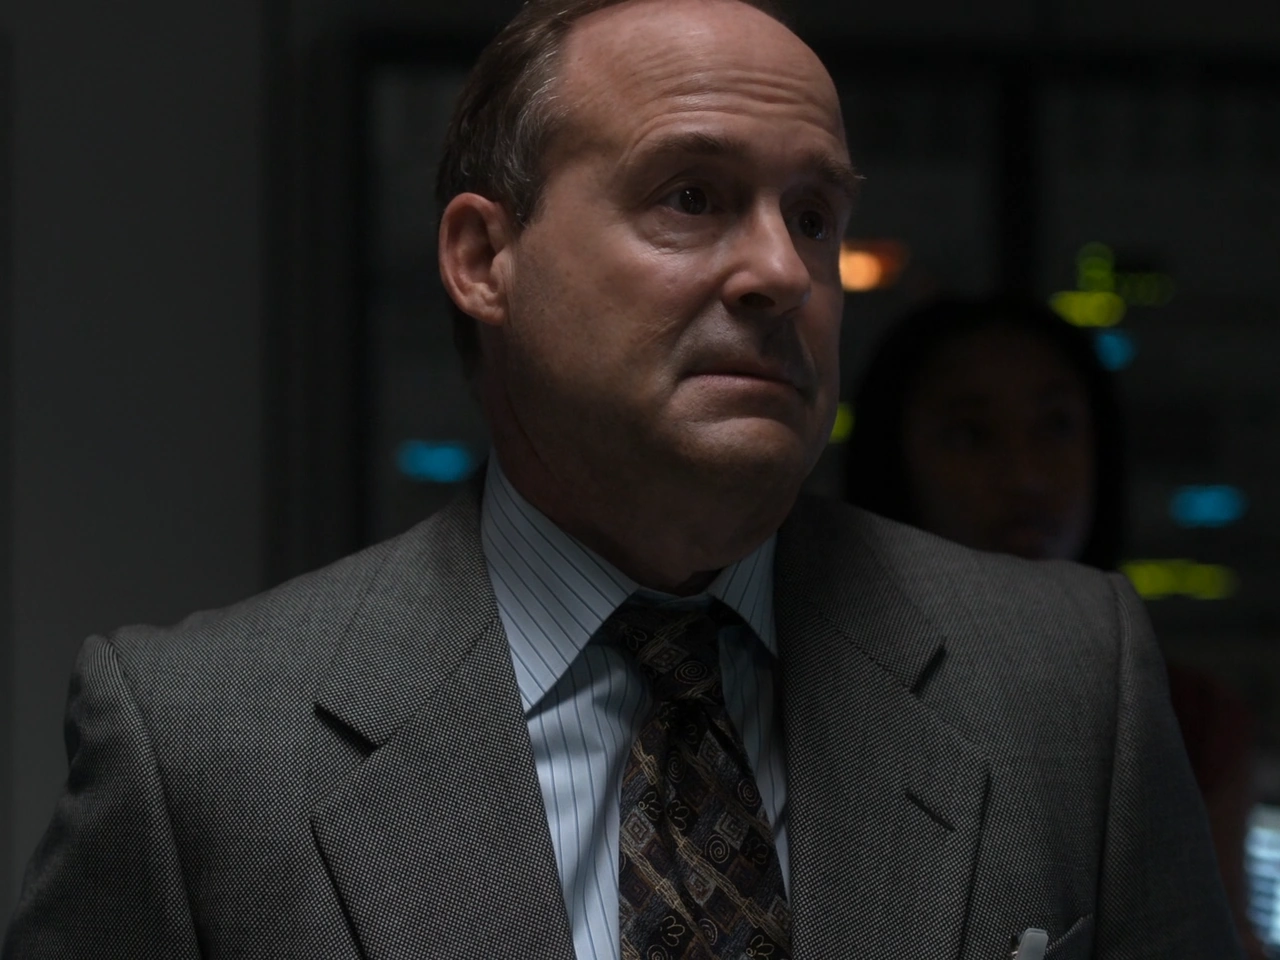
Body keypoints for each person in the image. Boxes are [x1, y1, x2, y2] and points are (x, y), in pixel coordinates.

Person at [2, 3, 1242, 958]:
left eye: (814, 216)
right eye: (691, 198)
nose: (780, 273)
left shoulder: (1064, 682)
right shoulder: (202, 746)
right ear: (483, 257)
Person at [845, 294, 1265, 959]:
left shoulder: (1188, 714)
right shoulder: (835, 689)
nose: (1026, 476)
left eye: (1057, 426)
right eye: (970, 434)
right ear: (894, 458)